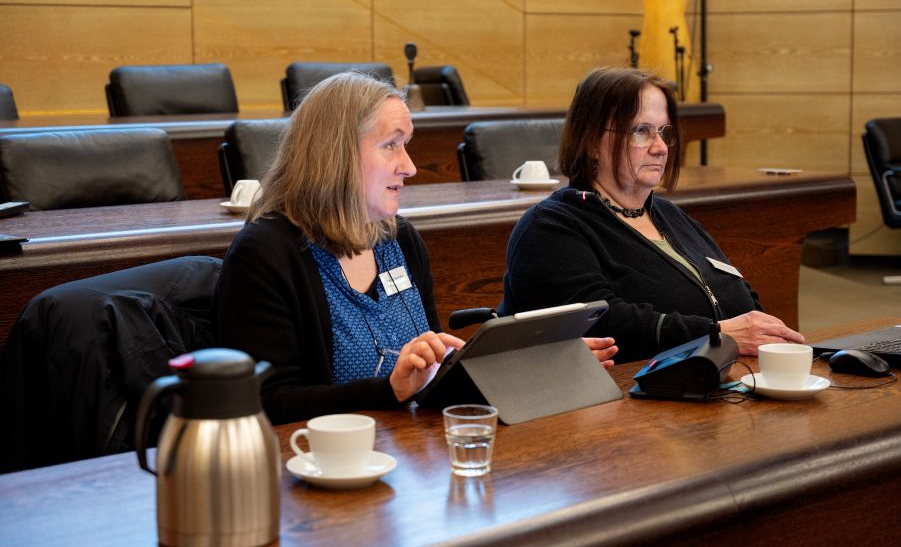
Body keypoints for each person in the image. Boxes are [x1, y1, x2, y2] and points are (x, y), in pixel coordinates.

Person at [214, 72, 617, 423]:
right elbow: (265, 404)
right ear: (335, 154)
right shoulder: (266, 253)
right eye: (391, 145)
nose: (409, 166)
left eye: (406, 145)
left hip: (410, 454)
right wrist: (389, 391)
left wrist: (537, 365)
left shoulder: (399, 239)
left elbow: (432, 366)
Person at [499, 67, 804, 362]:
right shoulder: (550, 228)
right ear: (591, 141)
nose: (660, 148)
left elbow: (742, 300)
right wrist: (717, 333)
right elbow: (602, 324)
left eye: (663, 132)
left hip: (717, 380)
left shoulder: (670, 215)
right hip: (624, 398)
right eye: (641, 132)